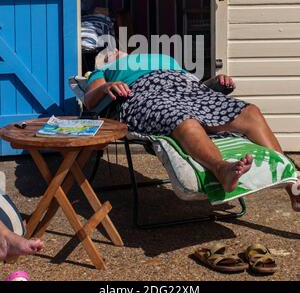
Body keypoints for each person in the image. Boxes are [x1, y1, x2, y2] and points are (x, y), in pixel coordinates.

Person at [85, 51, 300, 211]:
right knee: (183, 120)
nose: (115, 51)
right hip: (146, 94)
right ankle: (222, 169)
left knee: (250, 112)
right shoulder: (104, 70)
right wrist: (106, 86)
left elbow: (197, 83)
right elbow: (90, 100)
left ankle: (294, 187)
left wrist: (215, 82)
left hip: (191, 92)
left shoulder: (165, 59)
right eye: (109, 53)